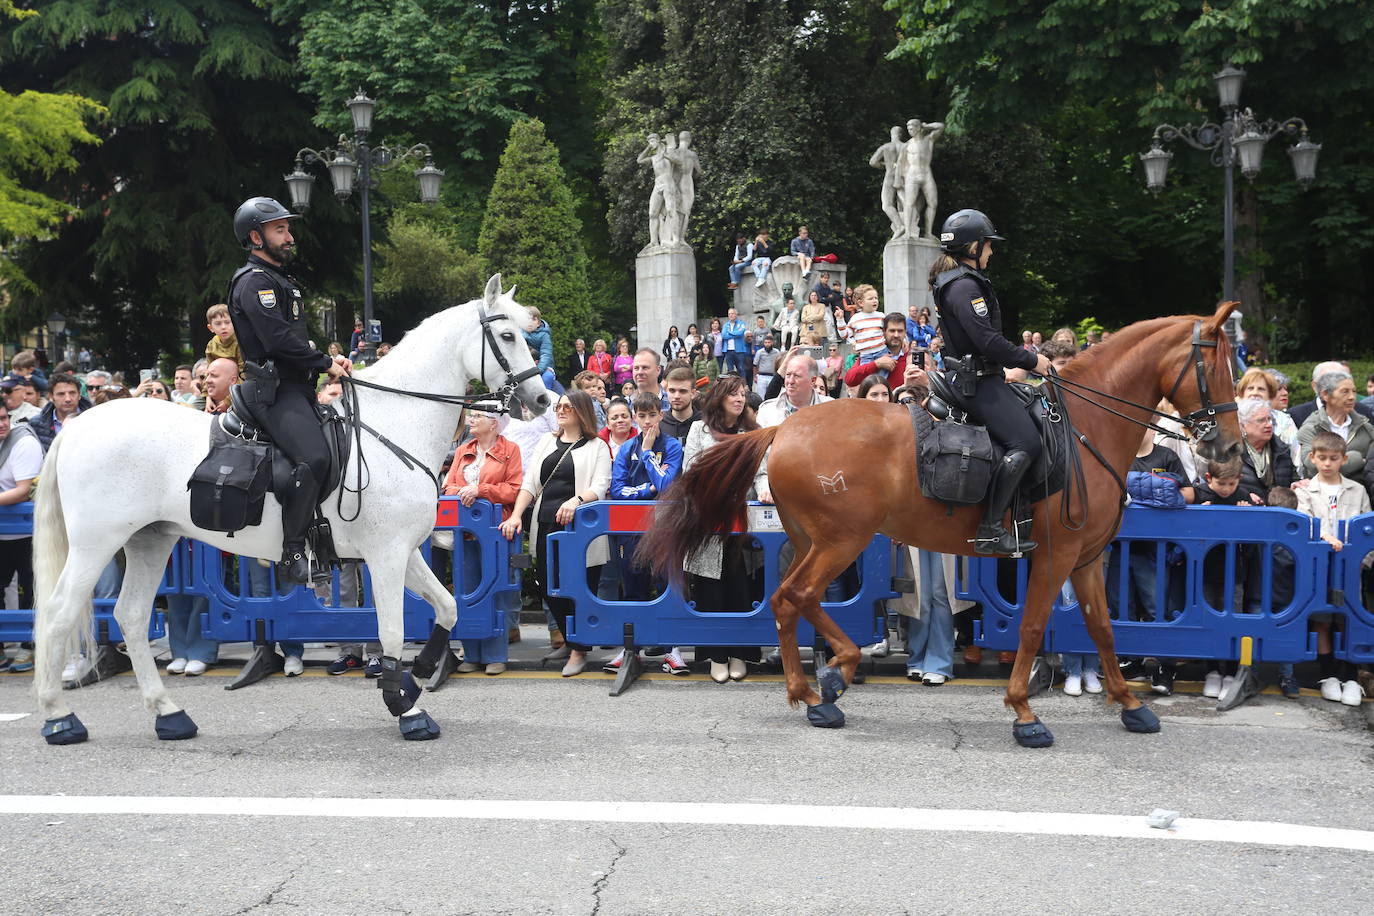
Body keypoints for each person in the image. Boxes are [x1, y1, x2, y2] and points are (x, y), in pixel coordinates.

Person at [227, 196, 351, 584]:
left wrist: (325, 363)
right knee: (314, 458)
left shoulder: (279, 281)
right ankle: (292, 551)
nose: (289, 236)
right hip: (273, 393)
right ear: (255, 236)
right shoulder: (254, 282)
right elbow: (278, 339)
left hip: (295, 388)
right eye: (279, 229)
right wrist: (324, 362)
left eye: (287, 228)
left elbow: (293, 340)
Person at [929, 209, 1051, 554]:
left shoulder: (958, 281)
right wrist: (1032, 359)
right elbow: (988, 342)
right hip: (976, 382)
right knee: (1027, 442)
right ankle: (990, 529)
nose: (992, 252)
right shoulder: (964, 285)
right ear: (972, 246)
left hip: (980, 375)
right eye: (988, 245)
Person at [498, 390, 610, 677]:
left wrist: (577, 501)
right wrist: (516, 515)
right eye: (559, 406)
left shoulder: (597, 445)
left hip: (578, 528)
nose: (560, 411)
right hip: (546, 521)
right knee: (548, 586)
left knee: (578, 587)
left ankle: (579, 648)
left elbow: (600, 485)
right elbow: (530, 483)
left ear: (582, 411)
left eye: (567, 407)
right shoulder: (548, 440)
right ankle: (569, 637)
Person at [683, 376, 762, 682]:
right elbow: (689, 471)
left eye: (743, 394)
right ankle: (716, 655)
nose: (740, 399)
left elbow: (762, 471)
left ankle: (741, 652)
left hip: (743, 521)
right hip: (708, 520)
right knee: (710, 590)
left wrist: (764, 488)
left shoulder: (752, 432)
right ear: (719, 397)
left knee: (741, 587)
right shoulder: (699, 429)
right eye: (733, 394)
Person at [605, 392, 687, 676]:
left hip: (664, 527)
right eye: (642, 416)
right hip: (631, 529)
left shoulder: (673, 446)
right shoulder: (626, 449)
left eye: (652, 414)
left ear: (661, 415)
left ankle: (671, 649)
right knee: (633, 588)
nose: (648, 421)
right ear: (635, 417)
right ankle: (632, 649)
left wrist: (650, 452)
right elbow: (618, 491)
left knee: (668, 585)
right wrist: (646, 491)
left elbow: (666, 484)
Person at [444, 401, 523, 676]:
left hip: (496, 531)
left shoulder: (510, 449)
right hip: (465, 531)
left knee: (494, 591)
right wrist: (462, 491)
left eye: (478, 416)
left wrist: (481, 490)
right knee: (466, 590)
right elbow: (448, 485)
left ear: (494, 422)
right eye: (472, 415)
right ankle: (473, 653)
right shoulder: (463, 450)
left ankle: (496, 654)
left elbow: (513, 490)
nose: (472, 420)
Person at [1297, 429, 1371, 706]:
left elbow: (1367, 528)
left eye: (1334, 458)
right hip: (1320, 567)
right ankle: (1327, 675)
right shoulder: (1305, 490)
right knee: (1322, 620)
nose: (1328, 463)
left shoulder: (1357, 490)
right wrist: (1323, 539)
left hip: (1352, 569)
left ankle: (1350, 677)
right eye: (1323, 458)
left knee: (1349, 619)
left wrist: (1363, 562)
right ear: (1312, 458)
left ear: (1344, 459)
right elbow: (1304, 525)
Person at [0, 401, 41, 673]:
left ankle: (30, 647)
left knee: (32, 590)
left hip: (27, 531)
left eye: (4, 418)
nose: (2, 424)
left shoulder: (23, 442)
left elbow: (23, 490)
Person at [1297, 369, 1374, 487]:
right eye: (1345, 392)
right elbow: (1312, 466)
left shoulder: (1366, 427)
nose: (1352, 397)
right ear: (1325, 395)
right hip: (1321, 495)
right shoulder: (1311, 428)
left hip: (1359, 494)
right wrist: (1358, 459)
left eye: (1354, 391)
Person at [843, 313, 914, 394]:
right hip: (873, 405)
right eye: (892, 331)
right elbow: (849, 379)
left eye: (900, 331)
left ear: (905, 332)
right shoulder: (872, 354)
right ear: (884, 332)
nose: (896, 335)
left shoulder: (910, 357)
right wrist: (876, 364)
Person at [1289, 361, 1374, 427]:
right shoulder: (1296, 416)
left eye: (1344, 377)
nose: (1341, 382)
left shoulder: (1364, 412)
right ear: (1315, 386)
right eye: (1330, 380)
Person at [26, 372, 89, 451]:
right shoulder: (36, 424)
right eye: (61, 394)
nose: (68, 399)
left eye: (72, 393)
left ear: (79, 395)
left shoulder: (93, 420)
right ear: (51, 397)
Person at [523, 306, 561, 394]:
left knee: (547, 378)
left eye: (533, 319)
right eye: (526, 319)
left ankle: (545, 399)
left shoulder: (544, 335)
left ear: (538, 323)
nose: (529, 322)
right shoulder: (519, 332)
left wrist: (538, 370)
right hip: (524, 366)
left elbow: (546, 354)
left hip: (542, 367)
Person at [660, 367, 700, 443]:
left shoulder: (705, 423)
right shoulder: (658, 424)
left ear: (693, 393)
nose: (676, 396)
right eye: (672, 390)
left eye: (682, 391)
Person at [204, 303, 244, 376]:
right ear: (211, 328)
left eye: (227, 322)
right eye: (218, 324)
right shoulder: (211, 345)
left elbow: (243, 369)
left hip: (237, 381)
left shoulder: (240, 343)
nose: (223, 327)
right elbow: (210, 369)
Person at [720, 308, 748, 377]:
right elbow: (723, 335)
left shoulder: (741, 323)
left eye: (732, 313)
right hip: (728, 351)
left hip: (739, 351)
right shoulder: (725, 325)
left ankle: (743, 385)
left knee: (741, 369)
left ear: (736, 314)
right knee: (730, 371)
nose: (730, 315)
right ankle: (732, 386)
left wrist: (729, 333)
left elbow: (740, 333)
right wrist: (735, 335)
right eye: (729, 314)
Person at [752, 334, 782, 399]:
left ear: (772, 343)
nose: (767, 344)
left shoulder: (776, 352)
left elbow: (779, 363)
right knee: (761, 396)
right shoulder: (760, 352)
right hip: (761, 376)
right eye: (765, 342)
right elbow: (755, 365)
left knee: (772, 396)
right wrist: (755, 376)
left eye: (769, 342)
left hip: (772, 376)